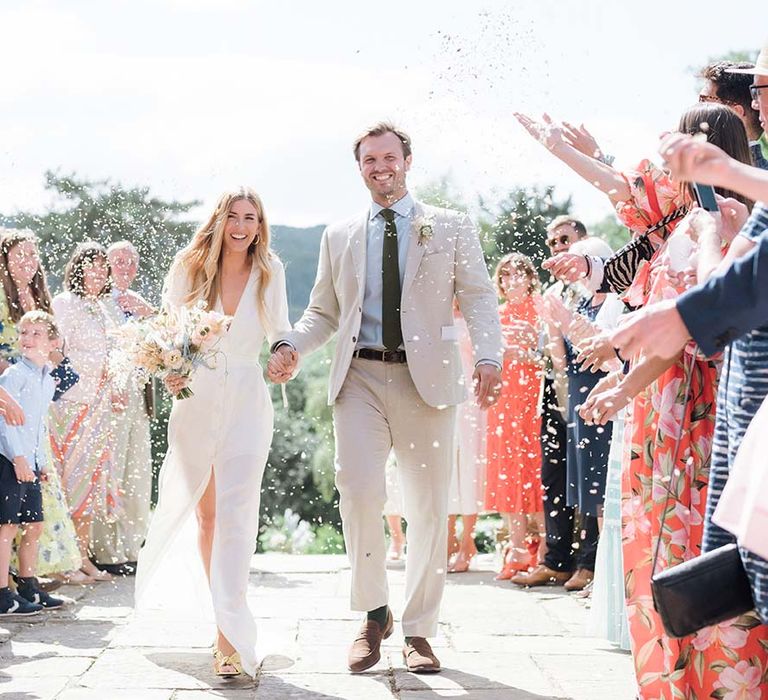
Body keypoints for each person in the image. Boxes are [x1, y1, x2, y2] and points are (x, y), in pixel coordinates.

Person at [267, 122, 503, 675]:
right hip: (360, 380)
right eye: (369, 160)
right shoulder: (340, 234)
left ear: (408, 160)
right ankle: (374, 615)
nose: (380, 167)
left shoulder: (449, 226)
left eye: (389, 157)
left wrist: (489, 357)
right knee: (358, 491)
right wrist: (289, 345)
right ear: (360, 168)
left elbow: (479, 297)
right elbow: (322, 313)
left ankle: (419, 630)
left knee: (426, 507)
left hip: (429, 384)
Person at [136, 187, 291, 679]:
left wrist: (285, 353)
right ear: (219, 220)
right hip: (196, 398)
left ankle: (229, 638)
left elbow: (280, 328)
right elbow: (169, 334)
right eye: (233, 216)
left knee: (236, 514)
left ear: (260, 225)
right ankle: (221, 616)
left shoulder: (271, 271)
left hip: (248, 396)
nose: (242, 225)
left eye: (251, 217)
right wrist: (172, 369)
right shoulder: (188, 267)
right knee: (206, 516)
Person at [511, 217, 598, 589]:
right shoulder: (553, 291)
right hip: (555, 386)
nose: (557, 247)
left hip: (590, 383)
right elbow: (551, 347)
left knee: (589, 474)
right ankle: (556, 559)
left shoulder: (599, 282)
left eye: (564, 240)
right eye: (552, 243)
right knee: (554, 474)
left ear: (583, 240)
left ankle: (589, 561)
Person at [539, 237, 624, 594]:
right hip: (578, 397)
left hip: (604, 391)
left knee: (604, 482)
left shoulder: (616, 302)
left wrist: (565, 318)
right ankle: (598, 568)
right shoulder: (583, 300)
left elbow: (608, 349)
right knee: (586, 484)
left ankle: (598, 568)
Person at [0, 229, 85, 585]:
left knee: (36, 497)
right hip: (7, 402)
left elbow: (53, 350)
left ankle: (30, 577)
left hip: (34, 407)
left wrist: (58, 369)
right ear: (4, 259)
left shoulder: (38, 296)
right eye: (20, 255)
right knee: (8, 498)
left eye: (33, 256)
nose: (28, 261)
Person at [50, 242, 120, 583]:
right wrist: (67, 393)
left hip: (98, 407)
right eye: (91, 266)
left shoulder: (100, 307)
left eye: (102, 268)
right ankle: (65, 561)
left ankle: (83, 557)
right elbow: (55, 352)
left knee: (90, 485)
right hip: (70, 407)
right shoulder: (66, 303)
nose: (98, 273)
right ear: (77, 268)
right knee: (69, 484)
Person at [91, 241, 154, 575]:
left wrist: (151, 314)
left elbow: (164, 347)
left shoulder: (142, 304)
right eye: (118, 261)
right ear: (107, 266)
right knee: (110, 475)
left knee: (137, 476)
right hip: (108, 404)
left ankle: (130, 549)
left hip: (140, 403)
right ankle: (104, 551)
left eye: (131, 262)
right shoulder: (97, 303)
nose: (125, 267)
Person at [0, 311, 67, 616]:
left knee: (34, 526)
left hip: (31, 462)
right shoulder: (14, 375)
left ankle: (28, 585)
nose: (27, 339)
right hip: (10, 459)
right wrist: (19, 457)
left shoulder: (47, 380)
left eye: (36, 334)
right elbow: (6, 422)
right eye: (24, 333)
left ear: (53, 342)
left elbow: (39, 425)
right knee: (7, 527)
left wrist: (40, 462)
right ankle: (2, 594)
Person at [483, 253, 544, 581]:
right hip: (504, 403)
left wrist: (529, 354)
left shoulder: (542, 309)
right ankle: (517, 546)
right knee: (508, 472)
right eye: (504, 276)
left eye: (517, 274)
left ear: (531, 278)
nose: (510, 281)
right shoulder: (497, 315)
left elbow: (552, 357)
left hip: (533, 401)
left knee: (534, 470)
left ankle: (545, 548)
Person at [446, 302, 487, 574]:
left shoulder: (477, 315)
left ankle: (467, 540)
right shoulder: (435, 312)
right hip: (444, 397)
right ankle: (448, 539)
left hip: (472, 401)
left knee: (469, 468)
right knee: (447, 467)